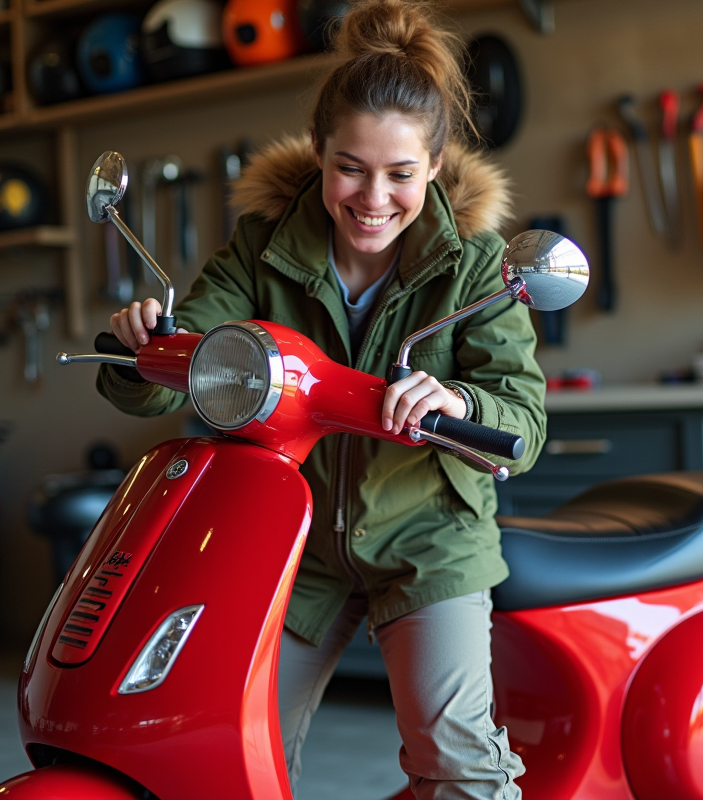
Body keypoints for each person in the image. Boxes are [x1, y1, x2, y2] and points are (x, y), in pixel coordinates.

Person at [98, 2, 544, 798]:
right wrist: (146, 347)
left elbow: (524, 416)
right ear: (318, 152)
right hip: (288, 540)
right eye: (351, 167)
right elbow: (184, 357)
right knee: (224, 745)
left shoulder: (478, 267)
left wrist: (461, 402)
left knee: (460, 766)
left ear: (435, 165)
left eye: (401, 173)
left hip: (427, 538)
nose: (373, 197)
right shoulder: (261, 248)